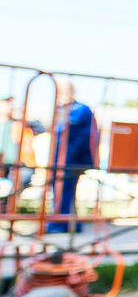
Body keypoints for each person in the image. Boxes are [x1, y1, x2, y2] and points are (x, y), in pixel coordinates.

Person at [47, 82, 99, 234]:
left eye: (64, 92)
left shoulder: (81, 110)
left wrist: (72, 154)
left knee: (65, 190)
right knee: (59, 190)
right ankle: (68, 224)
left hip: (71, 159)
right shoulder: (61, 110)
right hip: (59, 158)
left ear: (72, 92)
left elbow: (86, 136)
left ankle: (61, 224)